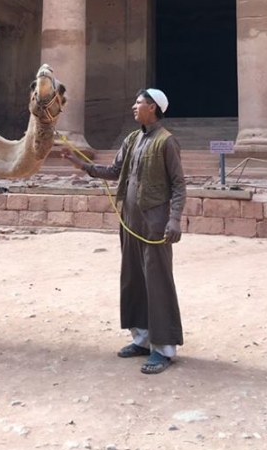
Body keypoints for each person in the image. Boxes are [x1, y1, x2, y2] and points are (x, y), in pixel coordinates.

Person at [65, 88, 186, 375]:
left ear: (153, 108)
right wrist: (81, 165)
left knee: (157, 281)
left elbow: (179, 185)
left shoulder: (167, 142)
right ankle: (142, 340)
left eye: (139, 103)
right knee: (133, 279)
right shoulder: (132, 139)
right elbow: (115, 171)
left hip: (155, 224)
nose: (134, 106)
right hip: (130, 222)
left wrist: (175, 220)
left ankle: (164, 348)